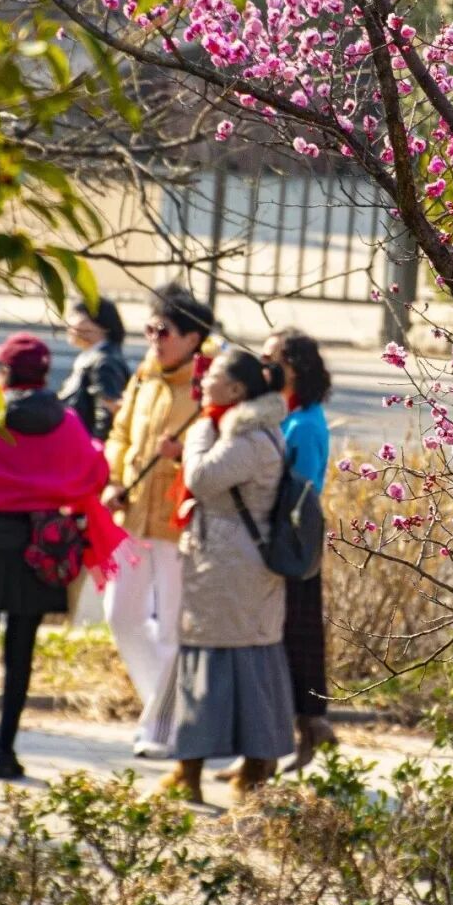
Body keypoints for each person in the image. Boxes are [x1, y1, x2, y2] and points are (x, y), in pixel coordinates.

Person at [0, 333, 127, 781]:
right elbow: (96, 473)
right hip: (41, 549)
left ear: (6, 375)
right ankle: (5, 752)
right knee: (21, 650)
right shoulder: (68, 423)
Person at [158, 349, 295, 805]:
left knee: (218, 662)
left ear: (236, 390)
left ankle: (214, 772)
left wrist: (198, 433)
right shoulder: (248, 430)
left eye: (212, 376)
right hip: (232, 563)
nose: (202, 380)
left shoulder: (246, 436)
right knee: (237, 661)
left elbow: (201, 478)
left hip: (230, 566)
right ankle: (207, 769)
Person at [103, 282, 214, 757]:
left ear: (192, 338)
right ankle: (163, 704)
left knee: (171, 629)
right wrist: (112, 479)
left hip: (177, 525)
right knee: (121, 616)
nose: (154, 337)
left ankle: (162, 729)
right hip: (132, 519)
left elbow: (214, 451)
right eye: (149, 328)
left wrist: (178, 457)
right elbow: (121, 433)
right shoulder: (145, 375)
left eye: (163, 329)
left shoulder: (207, 385)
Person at [264, 329, 335, 768]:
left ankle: (310, 728)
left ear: (294, 367)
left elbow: (301, 492)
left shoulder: (305, 424)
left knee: (297, 637)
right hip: (281, 539)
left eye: (272, 358)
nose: (264, 364)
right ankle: (311, 730)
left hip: (294, 543)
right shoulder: (282, 414)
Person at [59, 295, 130, 440]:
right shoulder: (90, 358)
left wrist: (95, 450)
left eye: (77, 316)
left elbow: (107, 414)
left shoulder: (104, 363)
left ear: (101, 325)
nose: (70, 324)